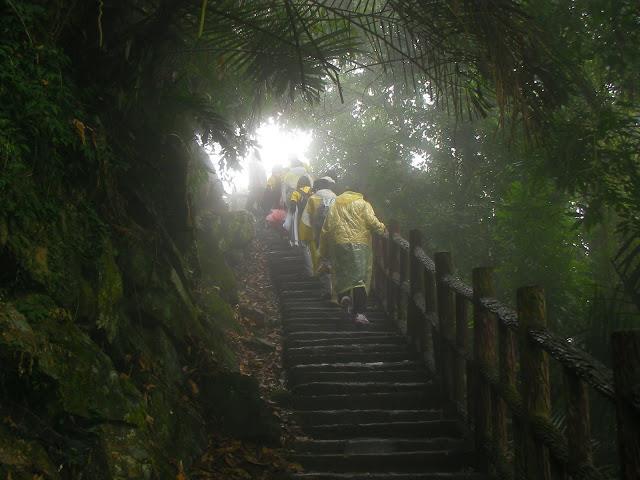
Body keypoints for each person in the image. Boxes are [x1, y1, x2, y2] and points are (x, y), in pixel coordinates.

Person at [319, 187, 385, 325]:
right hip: (360, 245)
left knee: (343, 273)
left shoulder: (335, 204)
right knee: (359, 278)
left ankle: (344, 297)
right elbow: (372, 222)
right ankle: (360, 313)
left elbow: (326, 229)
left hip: (339, 244)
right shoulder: (363, 204)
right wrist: (382, 228)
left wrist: (323, 252)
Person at [300, 177, 337, 298]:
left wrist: (309, 235)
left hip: (320, 233)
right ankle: (337, 289)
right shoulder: (337, 198)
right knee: (334, 258)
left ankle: (327, 289)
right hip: (336, 232)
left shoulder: (313, 198)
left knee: (323, 258)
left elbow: (308, 218)